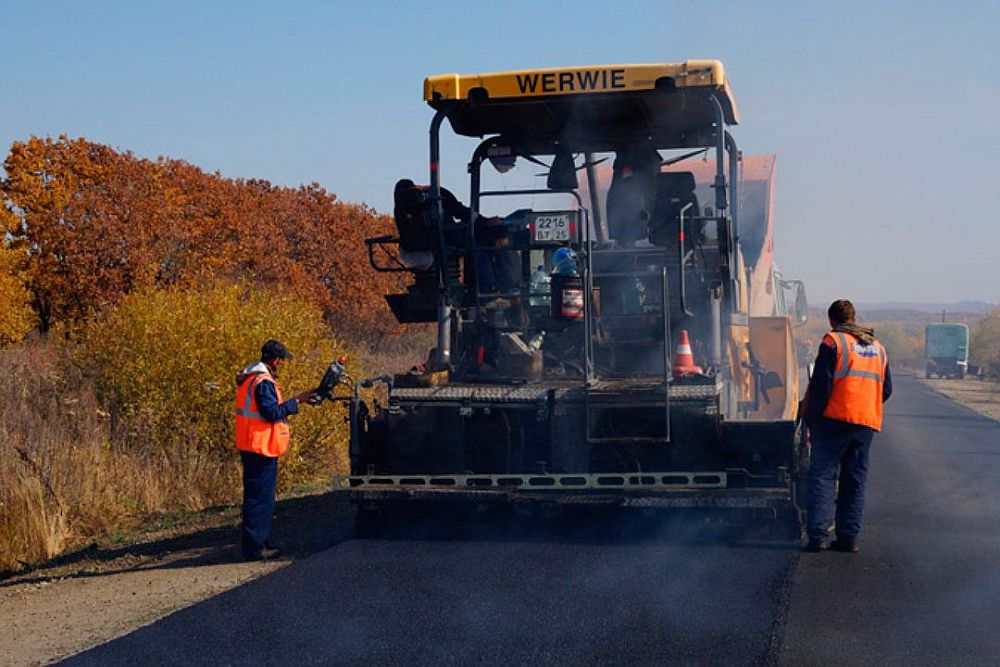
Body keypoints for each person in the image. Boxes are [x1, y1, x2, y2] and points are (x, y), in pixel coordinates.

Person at [801, 299, 892, 553]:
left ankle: (818, 536)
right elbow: (886, 389)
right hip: (865, 424)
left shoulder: (833, 342)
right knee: (855, 479)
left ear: (833, 320)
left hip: (833, 421)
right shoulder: (878, 348)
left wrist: (812, 418)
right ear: (853, 317)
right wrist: (864, 404)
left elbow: (821, 386)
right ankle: (848, 538)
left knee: (822, 475)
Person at [234, 339, 316, 561]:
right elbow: (271, 412)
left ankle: (259, 541)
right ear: (274, 359)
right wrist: (297, 402)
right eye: (280, 360)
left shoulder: (251, 378)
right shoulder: (262, 382)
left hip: (253, 444)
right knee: (260, 499)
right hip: (261, 446)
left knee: (257, 497)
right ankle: (255, 549)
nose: (280, 364)